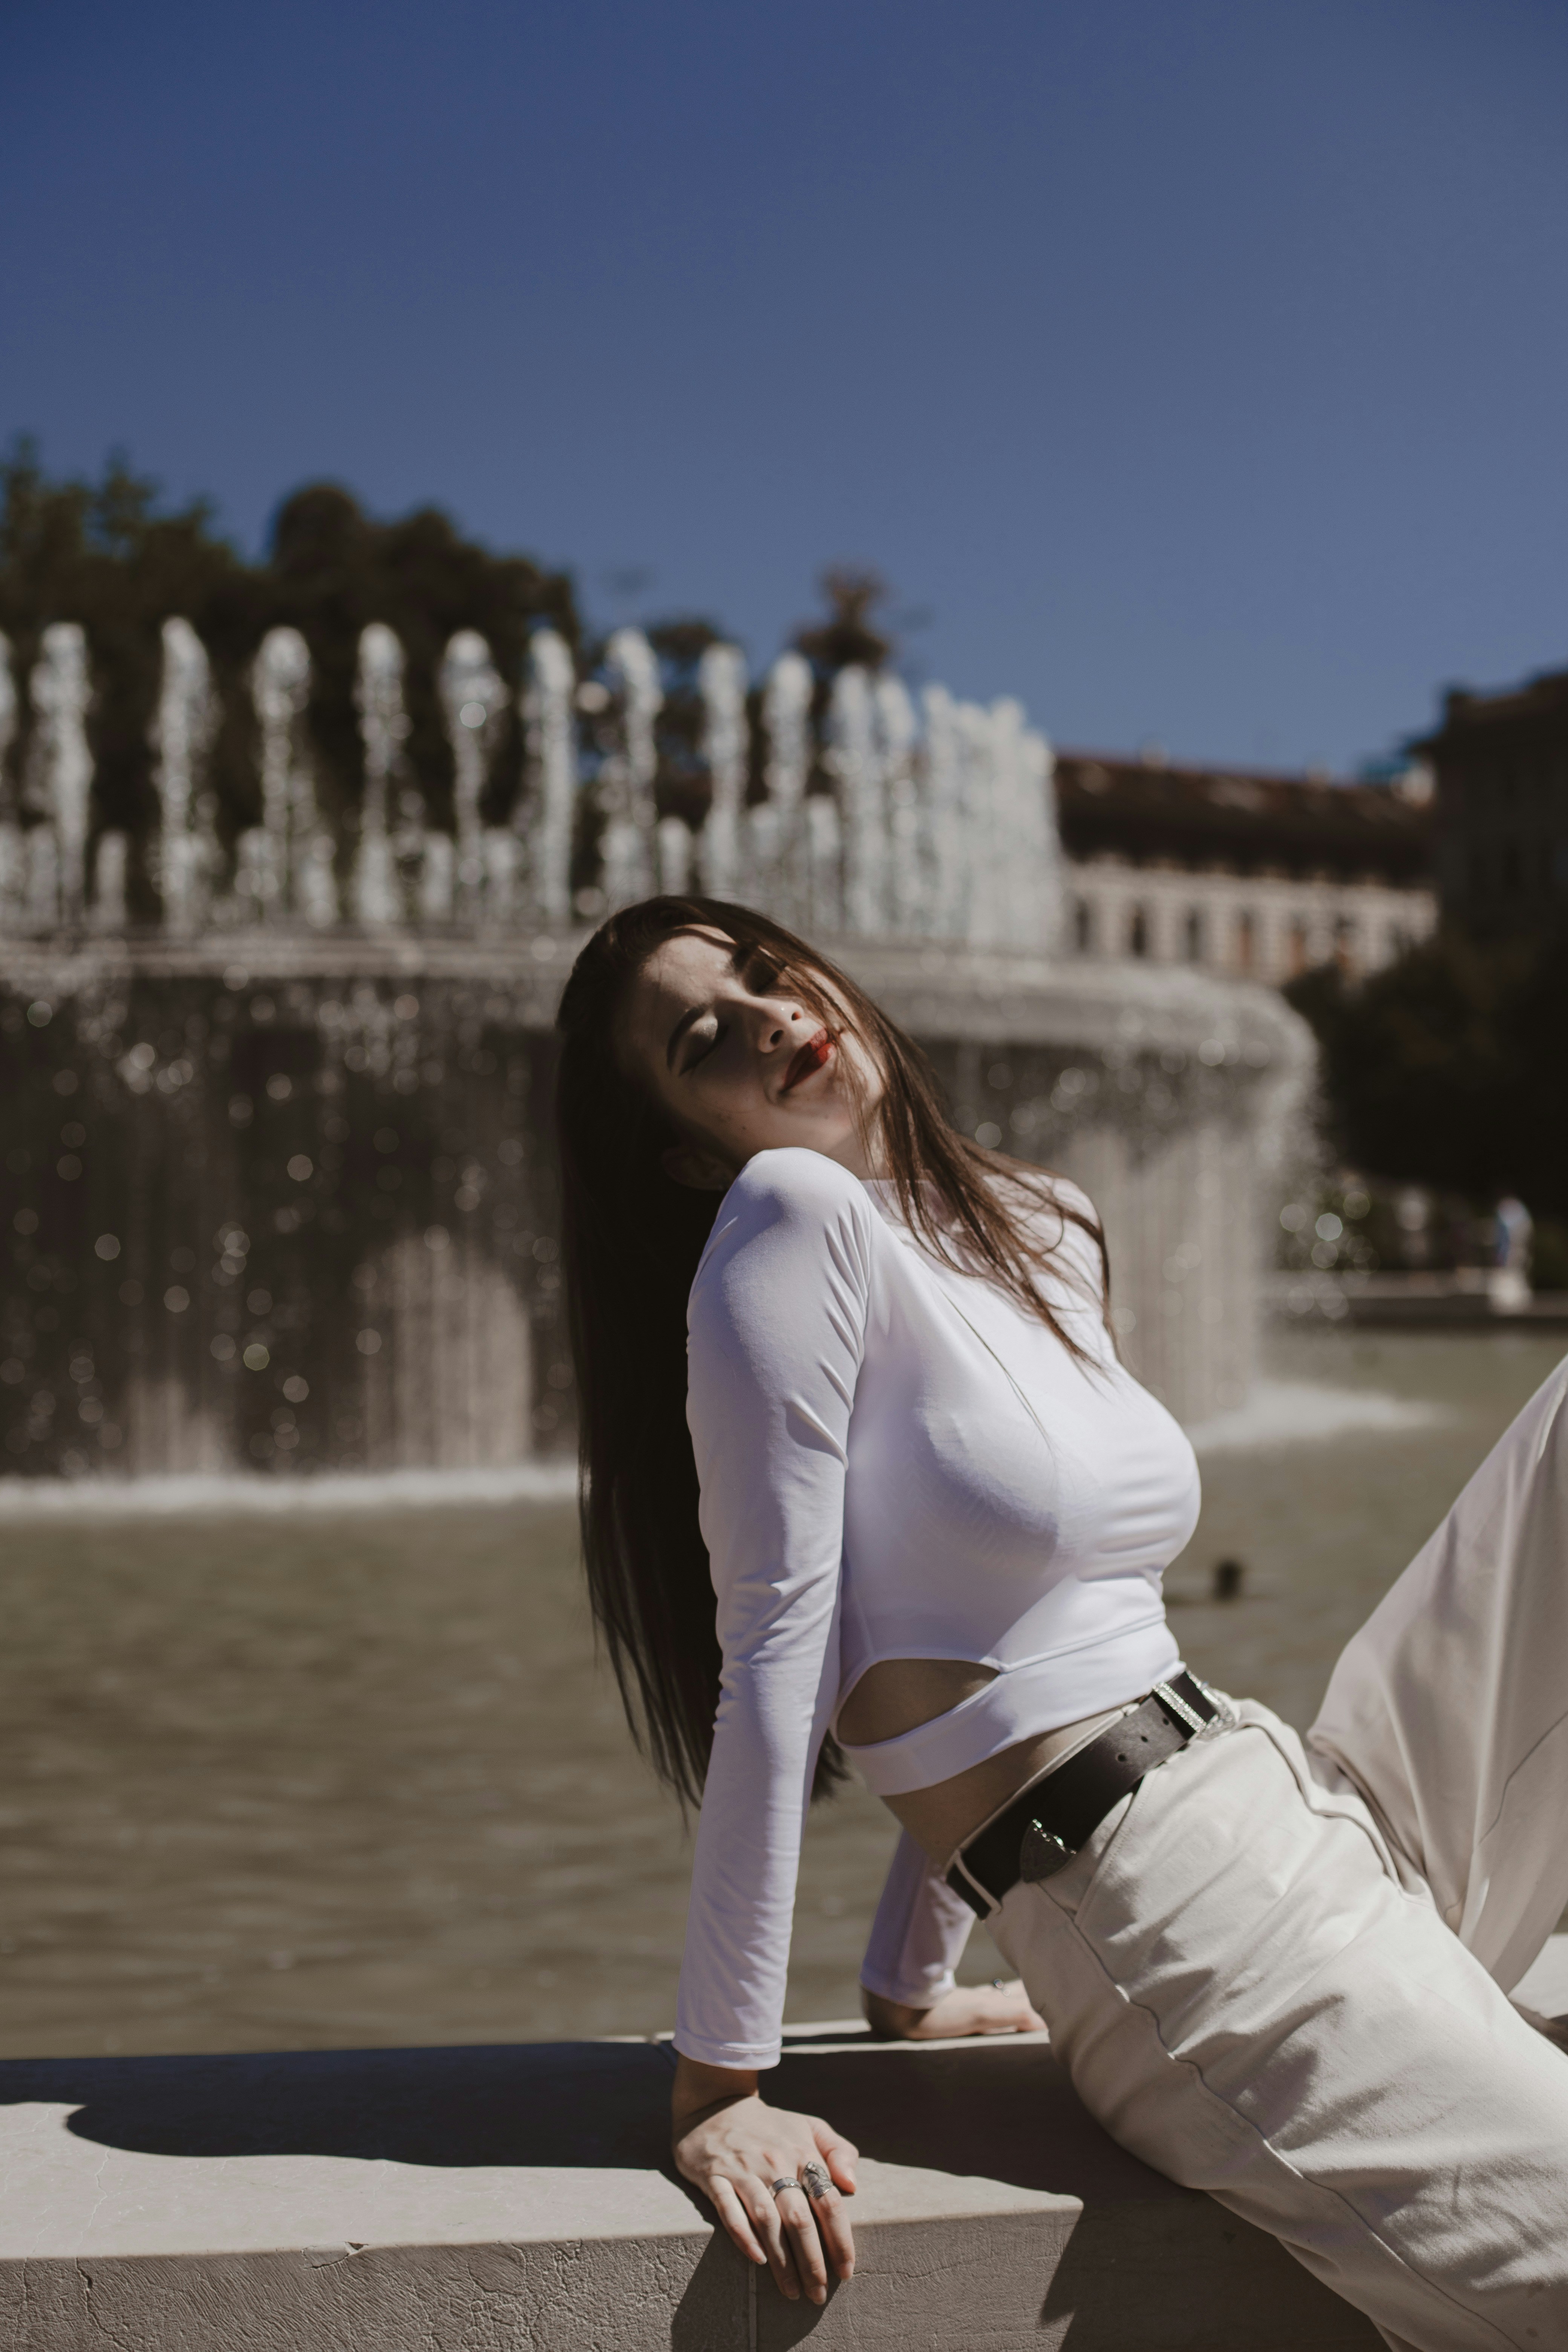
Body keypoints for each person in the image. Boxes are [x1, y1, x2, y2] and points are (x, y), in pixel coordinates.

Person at [555, 894, 1568, 2352]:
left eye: (770, 974)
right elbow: (778, 1652)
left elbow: (995, 1614)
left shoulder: (1039, 1223)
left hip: (1308, 1787)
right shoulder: (787, 1218)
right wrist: (722, 2086)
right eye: (708, 1037)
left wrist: (910, 1984)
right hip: (1181, 1917)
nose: (773, 1017)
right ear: (686, 1150)